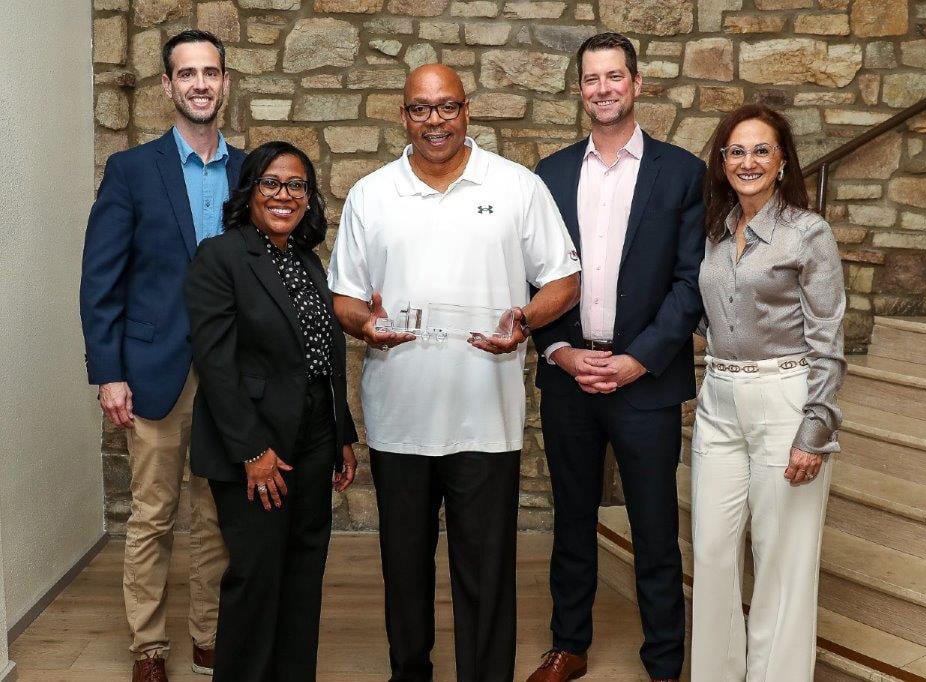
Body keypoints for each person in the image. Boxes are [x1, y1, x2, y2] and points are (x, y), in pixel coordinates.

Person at [328, 64, 581, 682]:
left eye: (446, 107)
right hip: (400, 419)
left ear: (467, 111)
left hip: (485, 419)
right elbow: (344, 297)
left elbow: (564, 281)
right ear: (403, 115)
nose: (434, 120)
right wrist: (366, 326)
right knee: (404, 569)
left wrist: (522, 320)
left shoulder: (516, 186)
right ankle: (409, 672)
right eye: (421, 108)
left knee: (486, 569)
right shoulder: (371, 194)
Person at [526, 33, 706, 682]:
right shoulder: (548, 175)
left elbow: (691, 283)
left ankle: (664, 663)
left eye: (614, 77)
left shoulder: (682, 172)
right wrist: (558, 349)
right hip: (571, 378)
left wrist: (638, 361)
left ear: (636, 83)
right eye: (591, 79)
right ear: (579, 89)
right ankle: (567, 644)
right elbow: (533, 279)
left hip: (644, 383)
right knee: (571, 519)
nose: (603, 88)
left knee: (654, 529)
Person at [80, 29, 238, 682]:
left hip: (230, 375)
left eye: (211, 72)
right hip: (153, 372)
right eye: (187, 74)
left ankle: (208, 637)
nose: (200, 83)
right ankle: (148, 648)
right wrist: (109, 372)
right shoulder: (132, 171)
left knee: (217, 516)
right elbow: (100, 278)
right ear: (168, 86)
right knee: (152, 516)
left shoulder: (251, 172)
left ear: (225, 83)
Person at [184, 141, 359, 682]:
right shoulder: (221, 256)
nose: (285, 195)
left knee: (304, 571)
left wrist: (341, 435)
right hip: (255, 446)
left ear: (308, 198)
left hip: (311, 435)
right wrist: (253, 452)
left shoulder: (305, 261)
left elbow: (324, 354)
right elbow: (216, 366)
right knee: (256, 579)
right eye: (272, 184)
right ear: (251, 191)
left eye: (297, 185)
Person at [691, 103, 845, 682]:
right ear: (722, 162)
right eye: (736, 150)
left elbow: (829, 340)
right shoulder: (715, 230)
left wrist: (815, 429)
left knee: (782, 564)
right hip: (719, 401)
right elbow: (714, 315)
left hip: (786, 400)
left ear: (782, 162)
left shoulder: (809, 233)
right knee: (710, 552)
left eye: (761, 150)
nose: (747, 161)